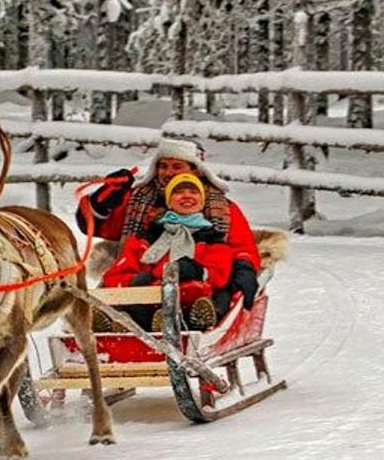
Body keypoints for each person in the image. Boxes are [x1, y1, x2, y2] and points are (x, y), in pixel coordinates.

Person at [78, 137, 261, 319]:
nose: (167, 172)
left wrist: (244, 269)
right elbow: (94, 226)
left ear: (195, 170)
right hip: (143, 280)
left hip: (197, 281)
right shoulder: (138, 201)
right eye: (163, 166)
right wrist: (104, 199)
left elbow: (241, 247)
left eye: (176, 166)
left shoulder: (222, 208)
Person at [100, 172, 230, 330]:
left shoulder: (212, 238)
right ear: (169, 201)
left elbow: (220, 275)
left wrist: (196, 270)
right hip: (146, 300)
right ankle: (124, 323)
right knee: (133, 294)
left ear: (202, 202)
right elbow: (115, 275)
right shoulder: (147, 237)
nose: (186, 196)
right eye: (179, 192)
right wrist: (139, 281)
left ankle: (185, 322)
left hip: (188, 299)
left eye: (193, 192)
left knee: (201, 294)